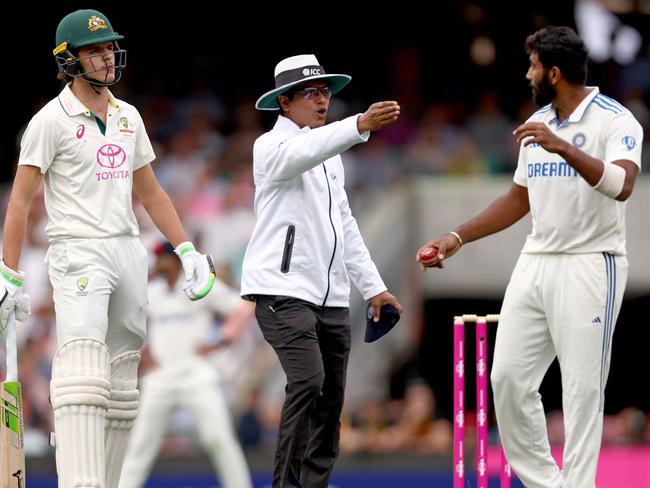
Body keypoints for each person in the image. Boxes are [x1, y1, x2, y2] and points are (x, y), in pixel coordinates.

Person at [417, 26, 642, 488]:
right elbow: (519, 199)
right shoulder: (537, 122)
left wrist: (564, 146)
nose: (527, 74)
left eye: (533, 65)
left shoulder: (615, 120)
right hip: (536, 259)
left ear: (554, 72)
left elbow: (622, 185)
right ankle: (547, 483)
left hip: (591, 263)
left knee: (581, 392)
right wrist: (457, 237)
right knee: (508, 382)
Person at [1, 9, 215, 488]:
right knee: (82, 373)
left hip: (126, 249)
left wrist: (186, 251)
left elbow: (152, 192)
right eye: (94, 50)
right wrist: (8, 273)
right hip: (78, 249)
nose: (105, 57)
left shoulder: (127, 115)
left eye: (107, 48)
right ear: (69, 59)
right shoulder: (49, 121)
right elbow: (19, 201)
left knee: (121, 382)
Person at [241, 53, 403, 488]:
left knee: (330, 403)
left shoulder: (331, 154)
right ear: (285, 102)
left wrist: (374, 289)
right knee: (308, 381)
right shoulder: (270, 147)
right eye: (311, 93)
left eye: (325, 92)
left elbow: (345, 226)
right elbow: (301, 153)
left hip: (330, 297)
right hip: (281, 291)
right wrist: (358, 127)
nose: (322, 100)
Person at [119, 242, 253, 488]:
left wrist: (223, 338)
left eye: (163, 258)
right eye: (157, 259)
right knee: (139, 447)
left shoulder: (200, 286)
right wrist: (144, 353)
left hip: (196, 374)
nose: (158, 264)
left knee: (219, 440)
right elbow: (128, 325)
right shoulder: (152, 292)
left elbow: (243, 307)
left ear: (175, 261)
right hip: (161, 378)